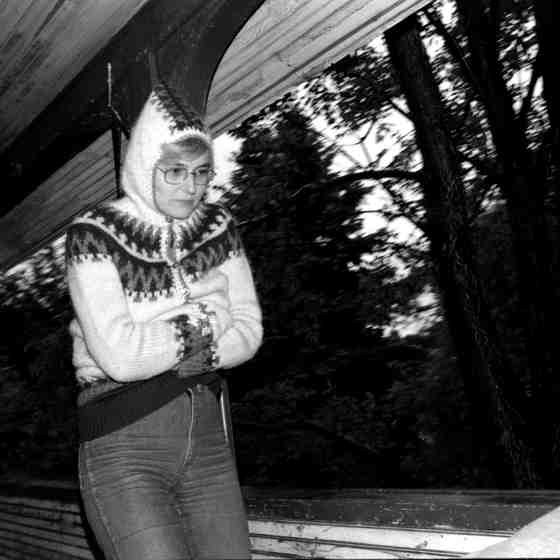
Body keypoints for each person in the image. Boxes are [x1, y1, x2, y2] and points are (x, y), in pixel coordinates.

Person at [65, 83, 263, 559]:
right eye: (174, 171)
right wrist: (208, 318)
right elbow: (121, 357)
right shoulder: (92, 235)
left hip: (209, 447)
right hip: (124, 447)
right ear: (144, 164)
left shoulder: (219, 227)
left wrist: (176, 338)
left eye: (201, 172)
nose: (190, 187)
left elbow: (250, 331)